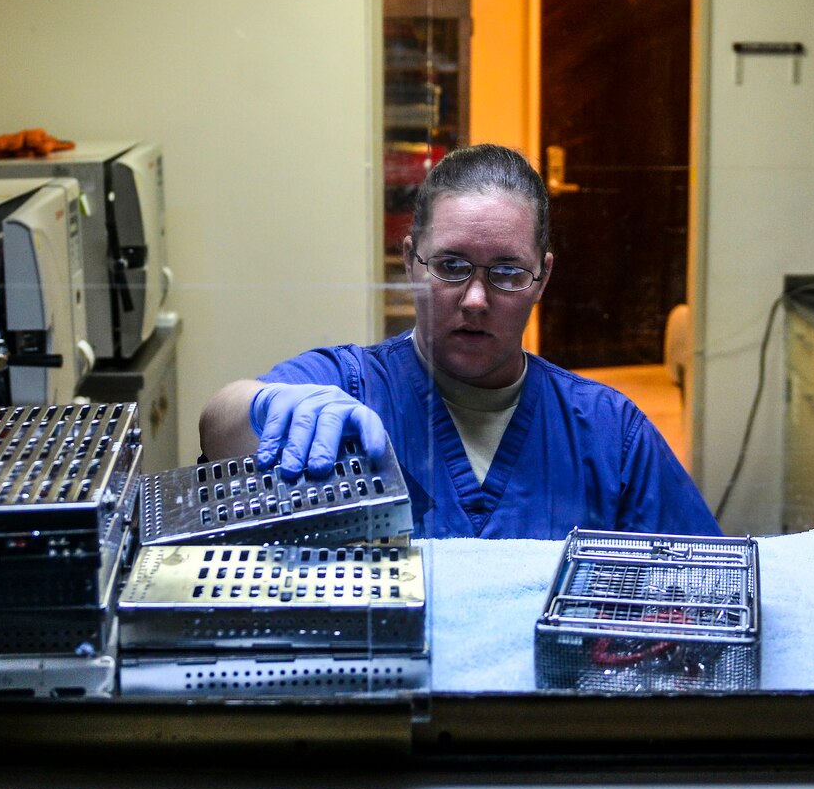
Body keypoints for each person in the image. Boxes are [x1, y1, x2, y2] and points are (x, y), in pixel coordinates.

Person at [200, 144, 721, 539]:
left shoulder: (608, 433)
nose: (474, 300)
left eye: (507, 273)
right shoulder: (352, 386)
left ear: (542, 278)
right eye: (450, 267)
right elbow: (219, 426)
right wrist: (272, 403)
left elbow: (704, 587)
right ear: (409, 263)